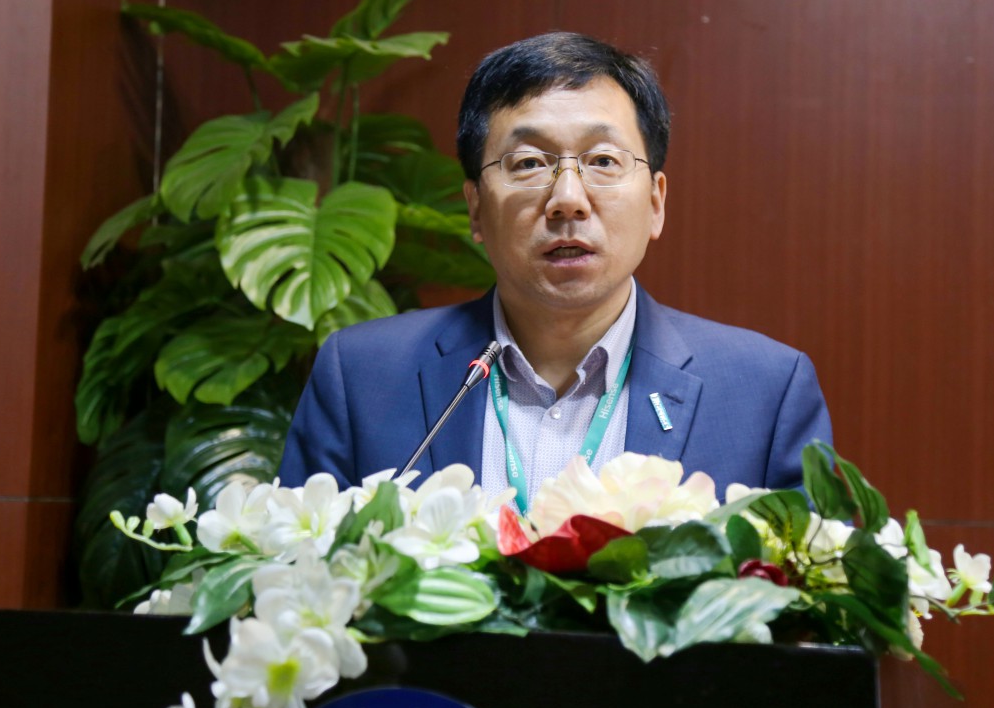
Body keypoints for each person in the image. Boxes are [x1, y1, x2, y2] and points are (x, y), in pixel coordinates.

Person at [279, 32, 831, 507]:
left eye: (603, 161)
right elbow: (298, 579)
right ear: (476, 208)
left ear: (655, 202)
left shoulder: (764, 393)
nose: (568, 199)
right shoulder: (362, 377)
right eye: (528, 163)